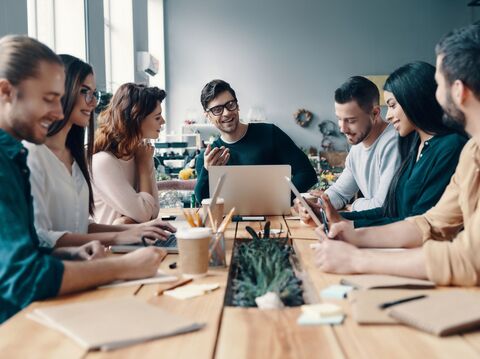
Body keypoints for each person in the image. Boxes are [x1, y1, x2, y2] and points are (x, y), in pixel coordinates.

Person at [0, 35, 166, 323]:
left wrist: (71, 256)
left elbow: (33, 249)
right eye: (49, 99)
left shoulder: (16, 158)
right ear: (5, 92)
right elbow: (23, 277)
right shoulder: (19, 158)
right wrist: (123, 266)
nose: (58, 111)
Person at [313, 24, 480, 286]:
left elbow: (469, 259)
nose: (435, 94)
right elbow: (429, 223)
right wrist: (354, 235)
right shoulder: (473, 151)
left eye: (438, 84)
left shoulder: (454, 146)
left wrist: (357, 259)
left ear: (459, 91)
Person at [25, 54, 175, 248]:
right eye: (85, 92)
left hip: (87, 262)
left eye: (94, 93)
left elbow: (80, 226)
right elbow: (41, 238)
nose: (93, 102)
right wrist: (119, 235)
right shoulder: (33, 155)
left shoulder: (75, 156)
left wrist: (136, 231)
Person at [298, 62, 467, 228]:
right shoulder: (416, 144)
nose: (390, 115)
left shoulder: (444, 146)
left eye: (392, 105)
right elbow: (392, 210)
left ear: (413, 100)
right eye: (340, 119)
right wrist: (327, 214)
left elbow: (418, 223)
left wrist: (349, 222)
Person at [194, 79, 317, 202]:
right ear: (208, 116)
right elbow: (203, 200)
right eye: (217, 110)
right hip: (229, 220)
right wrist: (207, 170)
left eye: (230, 104)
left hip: (274, 218)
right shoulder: (208, 158)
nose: (226, 113)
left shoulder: (270, 133)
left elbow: (307, 173)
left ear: (238, 106)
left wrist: (280, 199)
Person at [317, 76, 401, 210]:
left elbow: (383, 206)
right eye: (339, 119)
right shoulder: (357, 145)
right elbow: (339, 192)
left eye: (351, 121)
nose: (342, 129)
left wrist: (355, 205)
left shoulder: (393, 143)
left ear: (375, 113)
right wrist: (317, 206)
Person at [92, 83, 165, 225]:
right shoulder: (103, 162)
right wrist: (144, 166)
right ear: (136, 120)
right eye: (157, 117)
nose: (163, 122)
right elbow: (145, 214)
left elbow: (153, 212)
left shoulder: (141, 153)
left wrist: (128, 220)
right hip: (110, 246)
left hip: (137, 242)